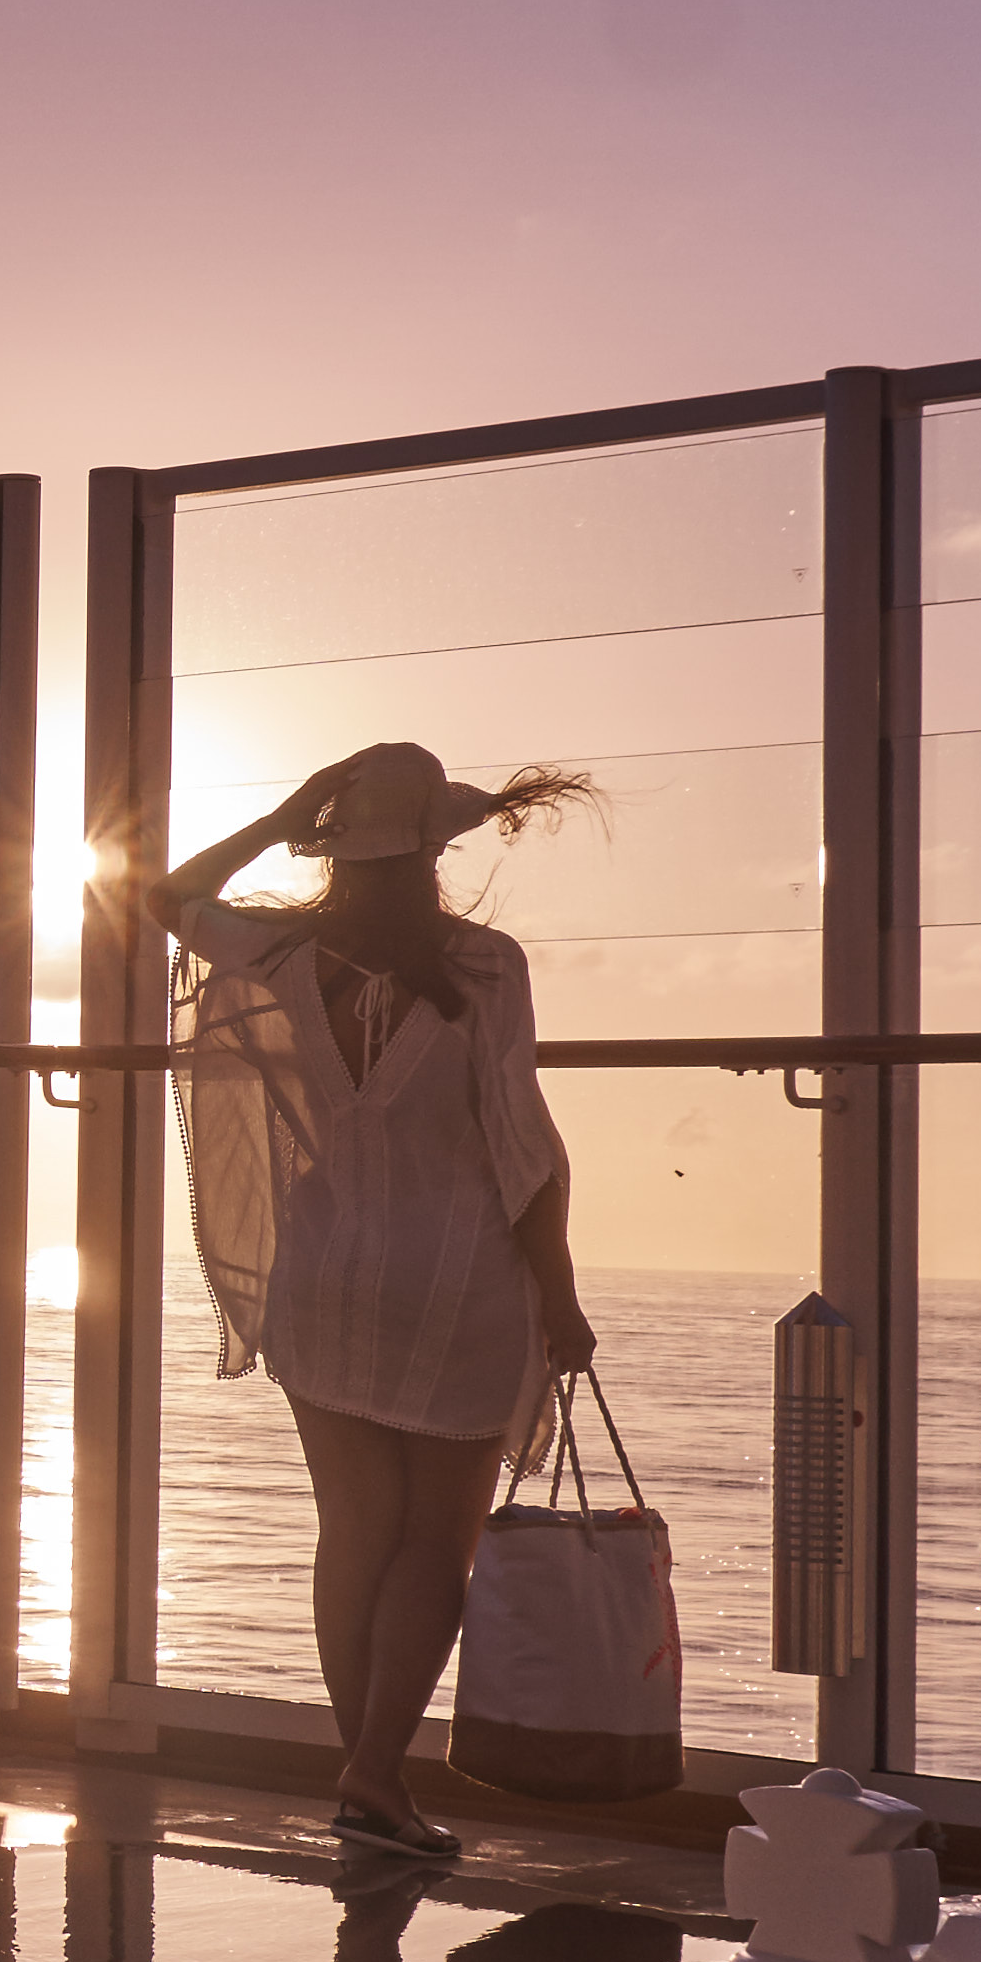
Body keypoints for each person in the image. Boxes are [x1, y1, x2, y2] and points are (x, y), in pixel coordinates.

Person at [152, 739, 599, 1858]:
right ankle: (372, 1776)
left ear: (336, 845)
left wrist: (280, 814)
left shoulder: (286, 954)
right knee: (433, 1545)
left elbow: (161, 898)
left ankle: (369, 1781)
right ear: (434, 850)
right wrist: (560, 1294)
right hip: (452, 1281)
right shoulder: (484, 968)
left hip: (325, 1274)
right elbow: (521, 1149)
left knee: (352, 1531)